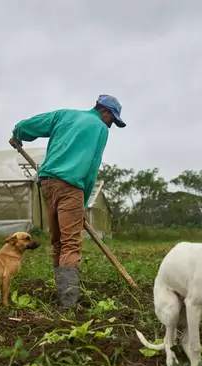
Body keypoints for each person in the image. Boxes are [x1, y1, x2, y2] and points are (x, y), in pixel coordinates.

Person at [9, 94, 126, 307]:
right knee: (71, 243)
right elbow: (92, 166)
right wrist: (82, 204)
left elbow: (26, 125)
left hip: (47, 183)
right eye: (113, 120)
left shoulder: (65, 115)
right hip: (70, 187)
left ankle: (63, 295)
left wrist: (18, 135)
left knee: (58, 242)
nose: (111, 126)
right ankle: (69, 302)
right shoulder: (99, 128)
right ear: (105, 112)